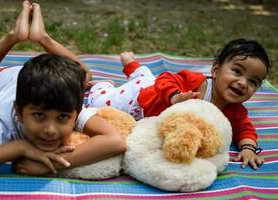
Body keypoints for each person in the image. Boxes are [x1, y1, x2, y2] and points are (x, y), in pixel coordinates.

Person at [0, 1, 125, 176]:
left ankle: (42, 37)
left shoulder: (67, 104)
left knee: (83, 74)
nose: (50, 130)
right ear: (18, 112)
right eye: (39, 115)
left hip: (34, 80)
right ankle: (12, 36)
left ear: (76, 113)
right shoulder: (7, 123)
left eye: (62, 118)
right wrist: (19, 147)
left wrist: (55, 164)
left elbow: (116, 141)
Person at [88, 38, 271, 170]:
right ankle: (102, 85)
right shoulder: (197, 83)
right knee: (102, 101)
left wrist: (248, 149)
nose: (243, 83)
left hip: (150, 85)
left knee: (146, 78)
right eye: (237, 72)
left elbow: (245, 129)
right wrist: (174, 97)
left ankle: (133, 67)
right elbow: (166, 79)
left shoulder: (235, 111)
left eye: (253, 82)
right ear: (215, 70)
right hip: (140, 102)